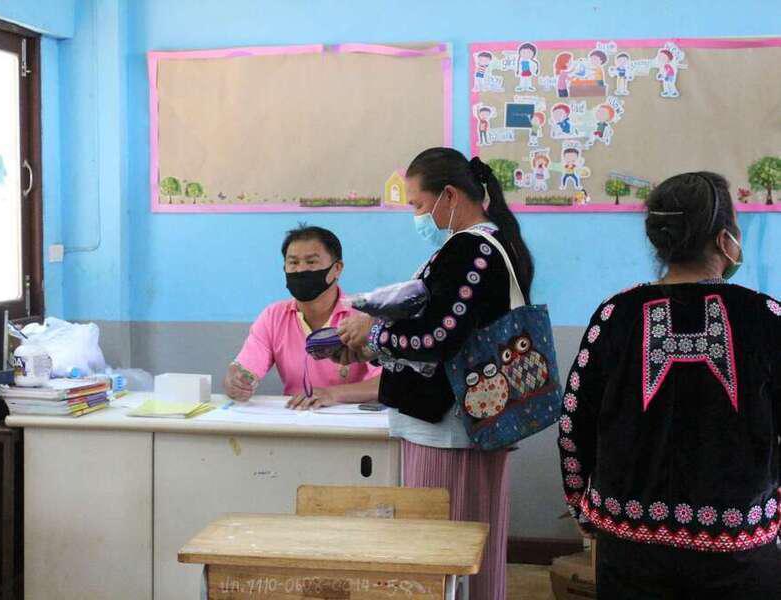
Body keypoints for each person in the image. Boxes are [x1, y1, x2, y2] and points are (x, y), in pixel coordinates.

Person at [558, 172, 781, 598]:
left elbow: (572, 425)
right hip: (740, 552)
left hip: (629, 550)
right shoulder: (766, 317)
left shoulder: (615, 315)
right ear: (724, 239)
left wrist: (581, 505)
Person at [336, 148, 536, 600]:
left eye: (418, 204)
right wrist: (371, 343)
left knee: (441, 556)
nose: (416, 216)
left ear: (449, 195)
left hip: (449, 431)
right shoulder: (492, 244)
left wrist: (375, 332)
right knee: (472, 555)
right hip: (467, 425)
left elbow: (439, 336)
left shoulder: (471, 248)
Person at [223, 225, 380, 410]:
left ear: (337, 268)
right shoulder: (273, 317)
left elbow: (386, 382)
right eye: (293, 263)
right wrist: (236, 380)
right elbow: (246, 368)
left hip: (354, 420)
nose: (300, 270)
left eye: (311, 262)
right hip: (295, 417)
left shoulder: (364, 316)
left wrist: (332, 394)